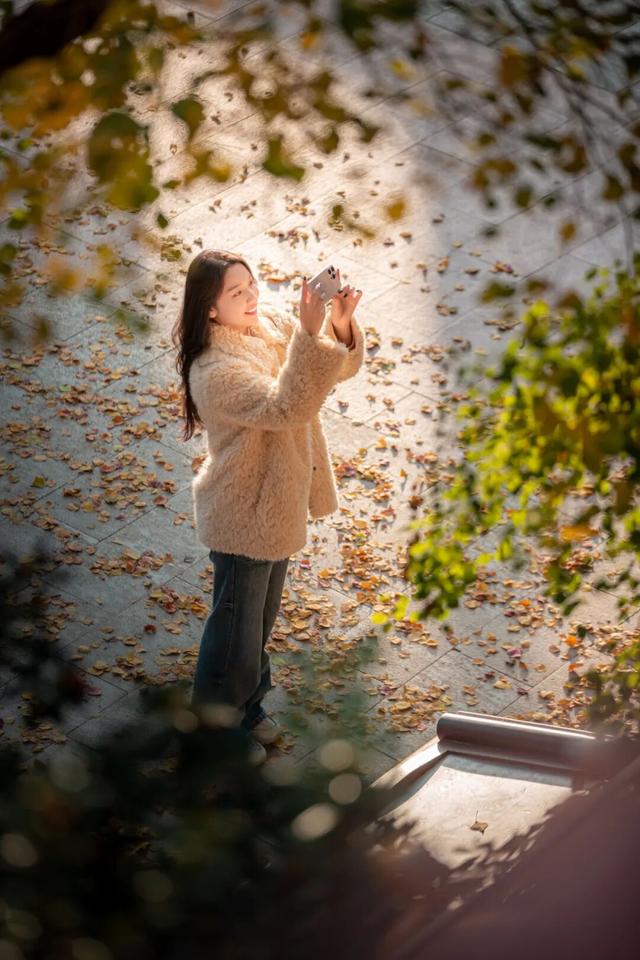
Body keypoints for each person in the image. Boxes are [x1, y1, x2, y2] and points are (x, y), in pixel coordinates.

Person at [171, 250, 364, 763]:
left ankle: (248, 707)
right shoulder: (215, 370)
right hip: (245, 509)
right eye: (236, 293)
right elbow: (288, 406)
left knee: (258, 620)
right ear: (210, 310)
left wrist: (339, 328)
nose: (252, 296)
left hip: (277, 501)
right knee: (234, 628)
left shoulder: (267, 326)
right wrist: (308, 332)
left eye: (251, 284)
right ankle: (213, 735)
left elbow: (329, 372)